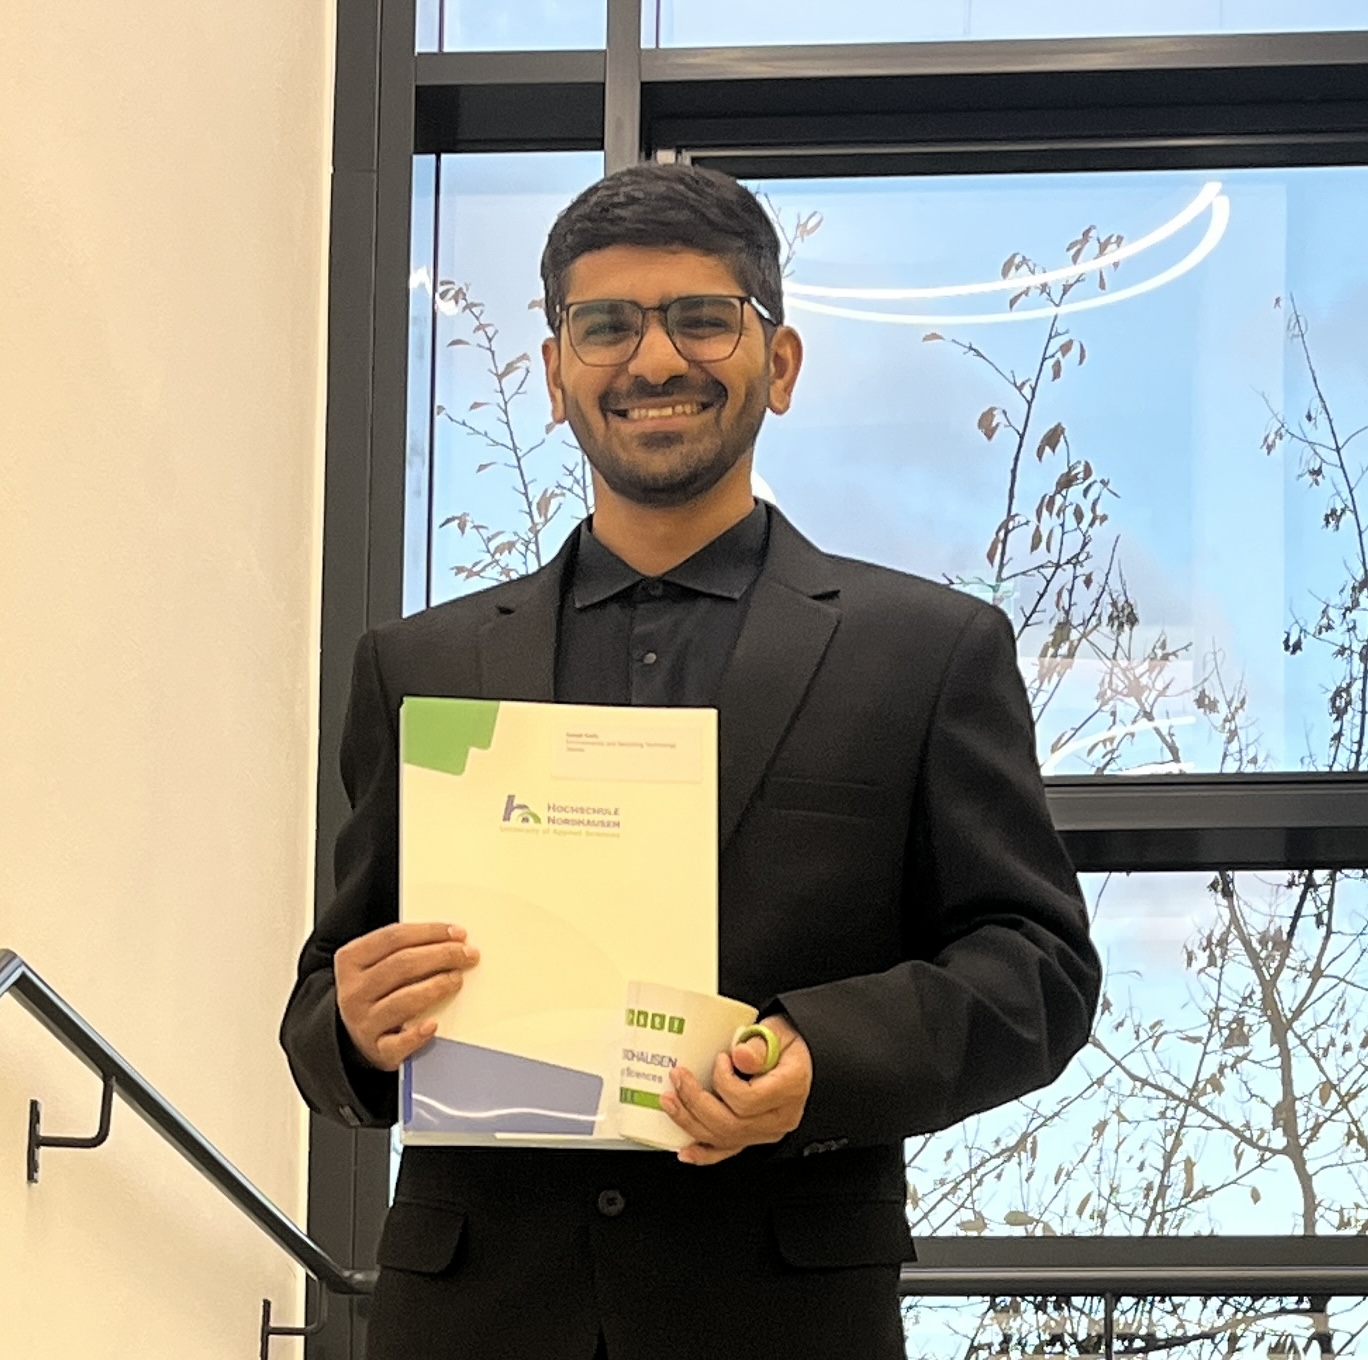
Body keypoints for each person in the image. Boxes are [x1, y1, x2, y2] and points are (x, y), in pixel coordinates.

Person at [280, 161, 1102, 1360]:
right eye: (606, 325)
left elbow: (1038, 969)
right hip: (472, 1319)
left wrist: (821, 1055)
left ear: (781, 361)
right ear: (555, 374)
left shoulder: (928, 652)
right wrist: (356, 1022)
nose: (654, 360)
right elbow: (325, 1002)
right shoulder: (420, 666)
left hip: (783, 1319)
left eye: (703, 318)